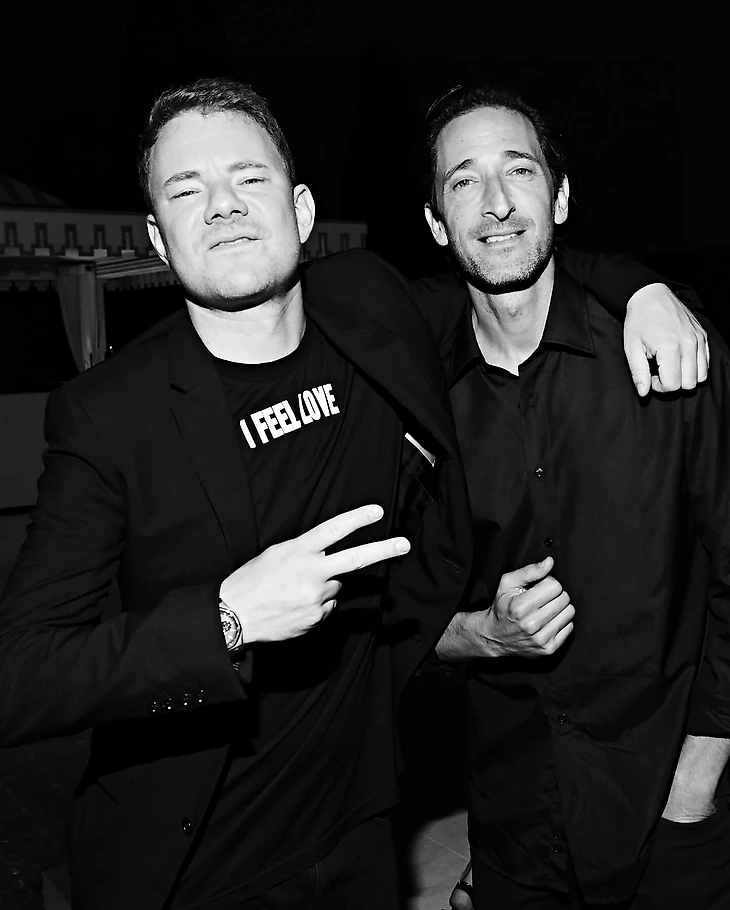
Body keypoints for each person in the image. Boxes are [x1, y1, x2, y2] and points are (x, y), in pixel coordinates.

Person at [0, 78, 708, 910]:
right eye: (187, 191)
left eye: (249, 178)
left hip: (359, 832)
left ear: (302, 211)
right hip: (199, 864)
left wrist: (645, 290)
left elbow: (506, 255)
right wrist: (227, 619)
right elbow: (21, 677)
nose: (223, 205)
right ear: (158, 236)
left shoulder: (368, 309)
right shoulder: (109, 414)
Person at [416, 85, 730, 908]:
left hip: (667, 810)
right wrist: (480, 634)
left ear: (559, 198)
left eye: (519, 171)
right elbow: (393, 610)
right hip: (513, 817)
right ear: (436, 222)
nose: (496, 202)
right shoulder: (415, 397)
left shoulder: (672, 355)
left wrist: (697, 778)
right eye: (463, 180)